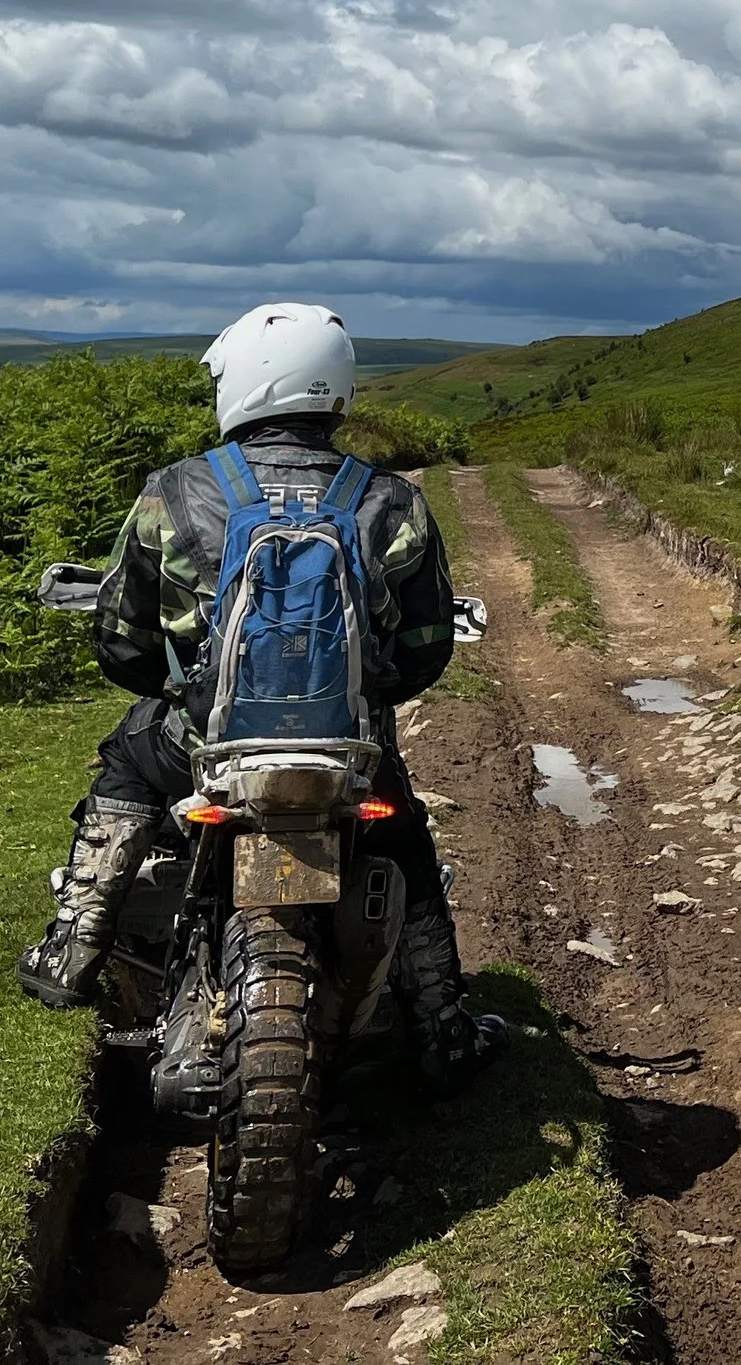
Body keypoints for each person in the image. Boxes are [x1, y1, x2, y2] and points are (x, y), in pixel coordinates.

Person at [16, 303, 504, 1092]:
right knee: (405, 839)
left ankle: (70, 949)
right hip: (347, 751)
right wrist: (366, 701)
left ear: (247, 383)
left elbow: (121, 638)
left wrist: (172, 689)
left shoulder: (173, 491)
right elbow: (425, 647)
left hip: (204, 746)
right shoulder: (392, 501)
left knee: (128, 762)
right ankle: (444, 1028)